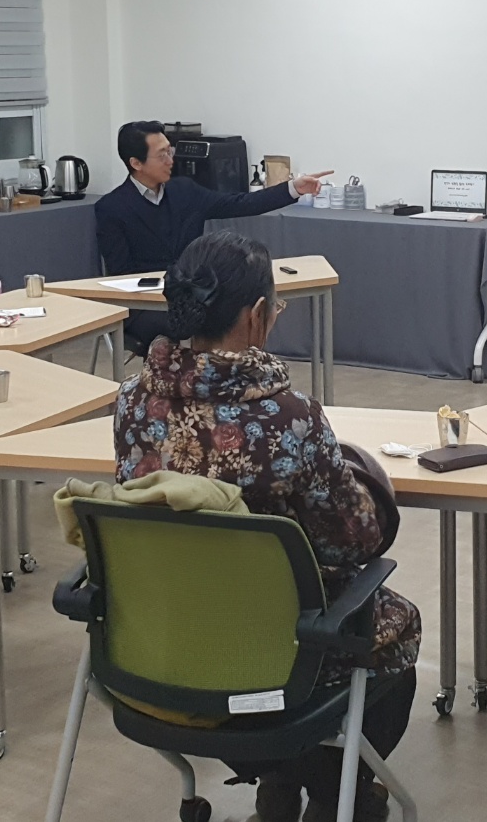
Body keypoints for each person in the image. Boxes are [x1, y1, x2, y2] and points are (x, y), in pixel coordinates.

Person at [113, 230, 419, 822]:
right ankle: (334, 793)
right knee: (388, 619)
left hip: (160, 639)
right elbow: (353, 541)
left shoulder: (132, 404)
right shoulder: (289, 418)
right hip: (273, 655)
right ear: (257, 316)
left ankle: (276, 782)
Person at [95, 121, 331, 353]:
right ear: (136, 163)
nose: (170, 160)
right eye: (162, 154)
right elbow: (121, 273)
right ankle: (189, 375)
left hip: (194, 296)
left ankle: (228, 374)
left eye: (170, 151)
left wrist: (293, 188)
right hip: (143, 305)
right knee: (200, 325)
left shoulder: (184, 191)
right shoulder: (112, 208)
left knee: (237, 312)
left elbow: (240, 203)